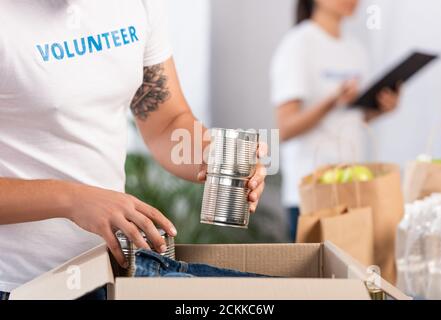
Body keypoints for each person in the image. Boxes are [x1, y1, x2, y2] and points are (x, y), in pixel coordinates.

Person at [0, 0, 266, 298]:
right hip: (18, 283)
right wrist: (71, 199)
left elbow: (165, 121)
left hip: (110, 271)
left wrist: (211, 154)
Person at [270, 0, 401, 242]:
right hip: (311, 192)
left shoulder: (356, 49)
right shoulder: (299, 44)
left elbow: (351, 118)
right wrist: (331, 101)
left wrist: (381, 109)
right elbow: (285, 128)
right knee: (315, 278)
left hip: (353, 189)